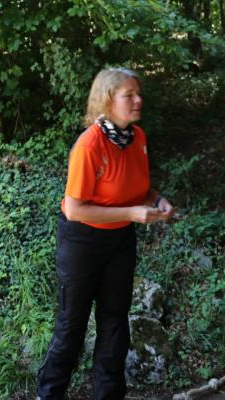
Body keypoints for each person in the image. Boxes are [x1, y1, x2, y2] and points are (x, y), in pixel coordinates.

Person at [36, 68, 175, 400]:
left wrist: (157, 200)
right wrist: (131, 213)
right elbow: (74, 209)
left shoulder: (138, 138)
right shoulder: (89, 145)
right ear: (107, 100)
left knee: (115, 321)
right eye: (129, 95)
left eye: (138, 93)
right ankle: (49, 394)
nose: (138, 100)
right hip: (81, 242)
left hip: (120, 241)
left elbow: (136, 188)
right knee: (72, 324)